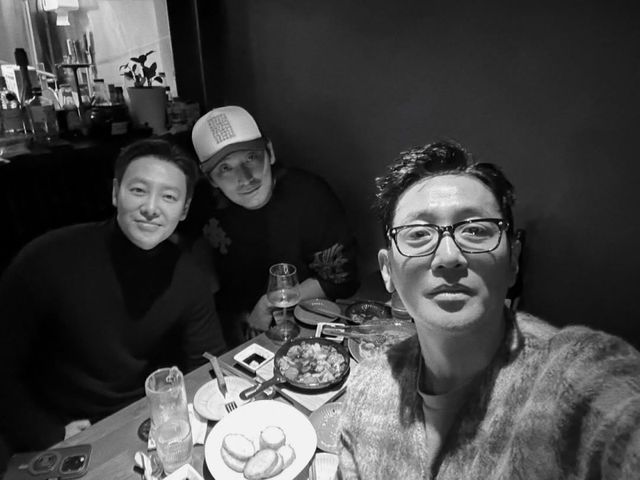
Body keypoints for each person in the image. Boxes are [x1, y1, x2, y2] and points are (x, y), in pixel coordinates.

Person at [338, 141, 640, 479]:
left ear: (513, 260)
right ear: (387, 271)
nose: (448, 256)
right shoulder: (366, 388)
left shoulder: (577, 376)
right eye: (418, 233)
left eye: (475, 230)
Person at [0, 138, 227, 455]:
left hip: (145, 422)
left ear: (185, 209)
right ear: (115, 192)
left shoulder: (189, 277)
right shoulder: (46, 259)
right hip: (61, 431)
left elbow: (207, 362)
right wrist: (47, 433)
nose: (151, 208)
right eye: (138, 190)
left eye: (169, 196)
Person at [187, 106, 359, 346]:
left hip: (301, 321)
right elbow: (187, 244)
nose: (246, 178)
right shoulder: (202, 201)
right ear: (211, 179)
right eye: (225, 168)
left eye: (251, 157)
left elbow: (341, 278)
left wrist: (269, 303)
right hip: (229, 323)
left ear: (269, 152)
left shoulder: (309, 196)